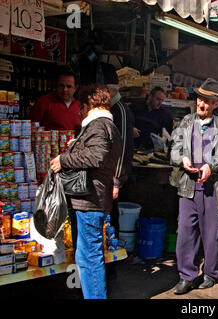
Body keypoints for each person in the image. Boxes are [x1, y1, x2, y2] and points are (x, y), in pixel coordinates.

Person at [49, 84, 122, 299]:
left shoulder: (98, 125)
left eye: (81, 107)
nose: (79, 111)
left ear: (88, 105)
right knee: (87, 256)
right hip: (91, 198)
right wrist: (77, 147)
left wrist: (64, 159)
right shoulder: (106, 126)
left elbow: (96, 156)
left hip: (90, 200)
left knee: (90, 258)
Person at [170, 78, 218, 295]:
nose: (202, 104)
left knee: (212, 234)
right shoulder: (186, 123)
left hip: (214, 189)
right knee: (185, 232)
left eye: (207, 101)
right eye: (200, 99)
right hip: (188, 187)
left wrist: (212, 166)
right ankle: (186, 276)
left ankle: (209, 273)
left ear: (216, 104)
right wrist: (182, 159)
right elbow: (173, 149)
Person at [101, 64, 135, 238]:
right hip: (107, 173)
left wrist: (116, 181)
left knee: (111, 216)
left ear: (110, 91)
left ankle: (113, 257)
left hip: (113, 175)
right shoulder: (109, 109)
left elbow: (122, 148)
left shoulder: (119, 110)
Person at [30, 67, 82, 133]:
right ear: (56, 86)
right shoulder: (44, 102)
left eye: (68, 86)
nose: (65, 89)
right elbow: (32, 128)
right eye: (61, 86)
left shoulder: (80, 105)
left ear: (75, 88)